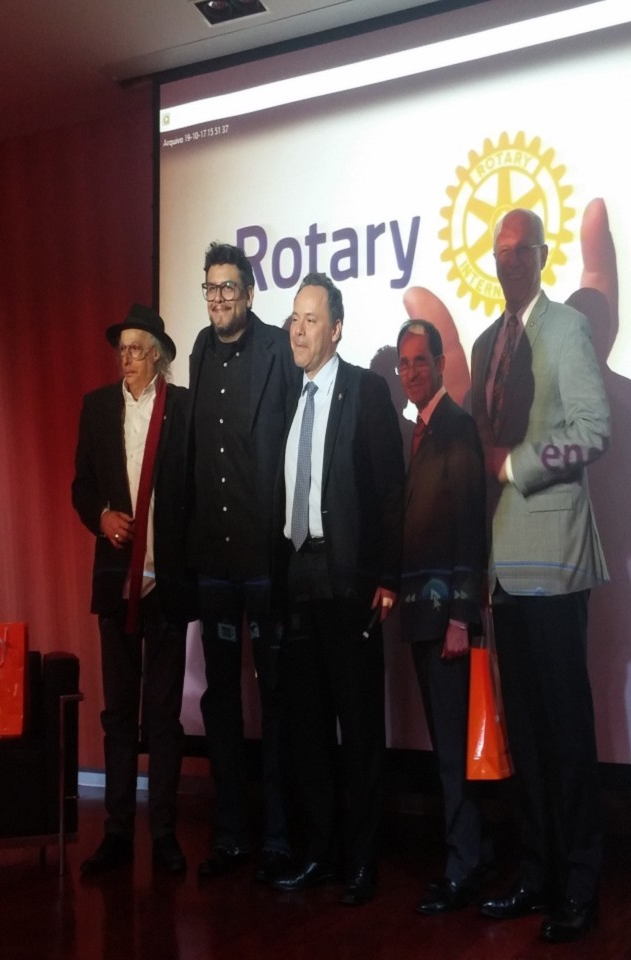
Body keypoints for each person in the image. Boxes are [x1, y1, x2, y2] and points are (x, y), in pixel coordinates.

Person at [471, 209, 611, 943]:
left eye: (521, 250)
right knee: (525, 736)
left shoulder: (566, 330)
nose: (509, 262)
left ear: (544, 255)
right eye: (500, 253)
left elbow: (594, 431)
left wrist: (517, 465)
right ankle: (535, 874)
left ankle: (579, 885)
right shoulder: (484, 344)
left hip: (555, 561)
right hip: (504, 567)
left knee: (565, 734)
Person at [271, 273, 403, 906]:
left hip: (350, 582)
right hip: (299, 581)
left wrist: (388, 578)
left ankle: (362, 860)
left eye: (311, 320)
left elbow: (390, 493)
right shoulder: (288, 398)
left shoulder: (365, 391)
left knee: (360, 729)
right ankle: (321, 855)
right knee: (309, 730)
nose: (298, 331)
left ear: (337, 328)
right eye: (294, 319)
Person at [72, 304, 195, 877]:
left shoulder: (183, 409)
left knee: (164, 717)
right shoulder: (97, 407)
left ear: (158, 356)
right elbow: (81, 487)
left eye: (136, 350)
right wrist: (101, 517)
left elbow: (195, 491)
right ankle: (117, 831)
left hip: (166, 586)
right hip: (115, 585)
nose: (126, 359)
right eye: (121, 349)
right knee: (119, 714)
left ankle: (164, 832)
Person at [187, 242, 296, 882]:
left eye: (229, 287)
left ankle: (278, 837)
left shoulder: (278, 349)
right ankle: (230, 833)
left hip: (266, 559)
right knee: (221, 702)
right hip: (215, 564)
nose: (219, 298)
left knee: (279, 699)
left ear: (250, 293)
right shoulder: (198, 351)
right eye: (211, 288)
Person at [395, 319, 490, 914]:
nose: (411, 372)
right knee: (446, 749)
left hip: (445, 621)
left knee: (455, 753)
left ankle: (464, 868)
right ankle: (467, 856)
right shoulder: (419, 431)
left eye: (420, 361)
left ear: (440, 364)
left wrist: (460, 616)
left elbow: (469, 528)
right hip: (420, 617)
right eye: (404, 363)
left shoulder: (456, 427)